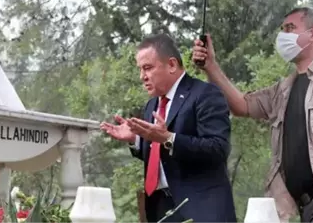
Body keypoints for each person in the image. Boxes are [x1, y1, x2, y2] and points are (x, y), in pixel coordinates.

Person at [191, 7, 313, 223]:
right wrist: (210, 66)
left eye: (290, 28)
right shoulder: (283, 90)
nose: (282, 36)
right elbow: (242, 106)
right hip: (305, 208)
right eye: (282, 30)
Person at [100, 34, 237, 223]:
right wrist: (136, 140)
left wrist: (168, 138)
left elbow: (218, 148)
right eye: (140, 69)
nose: (142, 77)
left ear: (172, 65)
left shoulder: (206, 94)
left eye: (148, 68)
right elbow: (159, 157)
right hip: (160, 209)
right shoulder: (151, 106)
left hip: (201, 210)